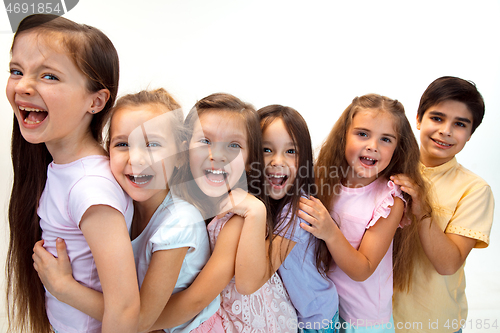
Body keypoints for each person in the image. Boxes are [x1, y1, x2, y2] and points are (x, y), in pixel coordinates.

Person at [32, 89, 222, 332]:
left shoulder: (180, 222)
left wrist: (64, 288)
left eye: (152, 144)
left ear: (180, 155)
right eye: (122, 144)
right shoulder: (120, 205)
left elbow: (138, 320)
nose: (136, 158)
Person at [6, 14, 139, 333]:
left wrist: (63, 288)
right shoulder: (63, 168)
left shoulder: (90, 187)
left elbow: (125, 308)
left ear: (96, 101)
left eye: (49, 76)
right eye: (16, 71)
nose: (23, 86)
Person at [150, 93, 297, 332]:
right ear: (185, 148)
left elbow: (196, 300)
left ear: (250, 160)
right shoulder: (178, 202)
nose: (217, 155)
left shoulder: (238, 219)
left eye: (234, 145)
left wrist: (134, 324)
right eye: (205, 141)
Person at [299, 94, 426, 332]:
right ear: (343, 136)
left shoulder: (390, 199)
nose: (373, 146)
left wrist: (330, 231)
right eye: (362, 134)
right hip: (326, 311)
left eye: (386, 139)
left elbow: (363, 269)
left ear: (398, 148)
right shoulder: (326, 179)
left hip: (364, 321)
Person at [391, 76, 495, 333]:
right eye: (437, 118)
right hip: (374, 317)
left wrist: (422, 209)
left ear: (470, 134)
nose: (446, 130)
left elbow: (448, 264)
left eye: (460, 124)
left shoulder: (474, 190)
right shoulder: (389, 170)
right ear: (418, 119)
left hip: (433, 323)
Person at [258, 104, 340, 332]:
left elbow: (260, 272)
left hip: (317, 319)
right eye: (266, 150)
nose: (277, 160)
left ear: (303, 160)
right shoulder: (269, 204)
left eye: (290, 151)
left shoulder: (297, 211)